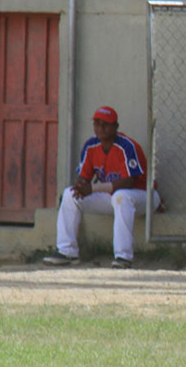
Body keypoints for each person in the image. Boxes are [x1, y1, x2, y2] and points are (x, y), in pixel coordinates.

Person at [42, 106, 159, 269]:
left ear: (116, 127)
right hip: (113, 198)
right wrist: (80, 185)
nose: (100, 128)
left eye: (105, 124)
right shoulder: (91, 145)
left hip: (143, 196)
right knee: (70, 194)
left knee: (122, 196)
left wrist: (92, 189)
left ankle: (123, 257)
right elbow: (84, 178)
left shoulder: (126, 146)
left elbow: (128, 182)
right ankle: (67, 251)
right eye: (97, 124)